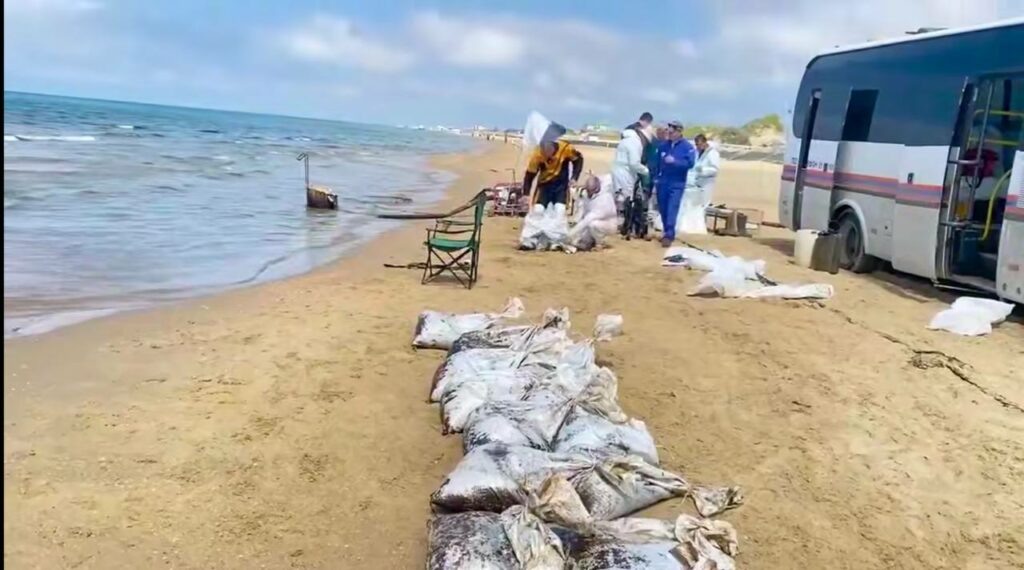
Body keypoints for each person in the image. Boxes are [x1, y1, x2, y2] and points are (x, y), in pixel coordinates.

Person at [654, 120, 696, 246]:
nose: (670, 135)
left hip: (677, 183)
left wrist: (675, 162)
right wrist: (655, 178)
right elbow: (656, 163)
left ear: (679, 132)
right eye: (669, 132)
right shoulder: (663, 146)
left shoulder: (687, 147)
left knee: (672, 208)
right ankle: (666, 231)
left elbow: (690, 164)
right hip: (662, 183)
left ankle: (669, 235)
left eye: (672, 133)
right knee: (663, 208)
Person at [522, 134, 584, 208]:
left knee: (559, 209)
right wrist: (526, 193)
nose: (546, 154)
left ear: (553, 146)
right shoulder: (538, 153)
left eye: (548, 151)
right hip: (544, 185)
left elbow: (578, 160)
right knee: (539, 210)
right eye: (544, 150)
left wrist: (574, 177)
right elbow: (530, 174)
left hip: (561, 185)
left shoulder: (566, 148)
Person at [676, 133, 721, 234]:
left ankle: (700, 226)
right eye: (696, 145)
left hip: (707, 183)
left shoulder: (713, 153)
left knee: (703, 205)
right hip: (695, 182)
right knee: (693, 205)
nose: (698, 147)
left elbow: (715, 170)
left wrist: (703, 170)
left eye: (699, 144)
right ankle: (691, 225)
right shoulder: (697, 152)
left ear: (705, 143)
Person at [569, 174, 618, 250]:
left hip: (608, 224)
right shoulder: (599, 185)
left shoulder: (602, 201)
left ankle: (600, 243)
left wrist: (570, 234)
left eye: (590, 191)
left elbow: (586, 220)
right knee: (581, 239)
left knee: (593, 225)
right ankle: (590, 240)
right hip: (594, 219)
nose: (588, 193)